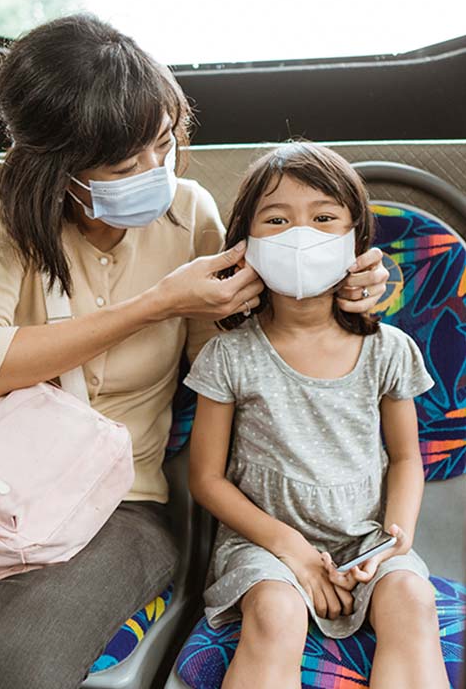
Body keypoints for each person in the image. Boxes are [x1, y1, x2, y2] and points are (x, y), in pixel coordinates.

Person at [0, 17, 388, 689]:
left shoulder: (191, 214)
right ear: (60, 169)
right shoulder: (8, 201)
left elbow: (241, 365)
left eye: (163, 144)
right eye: (123, 164)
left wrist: (338, 294)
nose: (155, 172)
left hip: (122, 502)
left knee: (9, 671)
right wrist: (156, 304)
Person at [185, 142, 449, 689]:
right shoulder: (228, 356)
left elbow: (405, 458)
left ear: (356, 241)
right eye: (276, 220)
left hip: (366, 537)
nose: (300, 235)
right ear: (247, 243)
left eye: (324, 218)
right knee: (275, 613)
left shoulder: (388, 350)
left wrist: (394, 540)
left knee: (412, 597)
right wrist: (292, 549)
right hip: (264, 545)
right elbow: (206, 478)